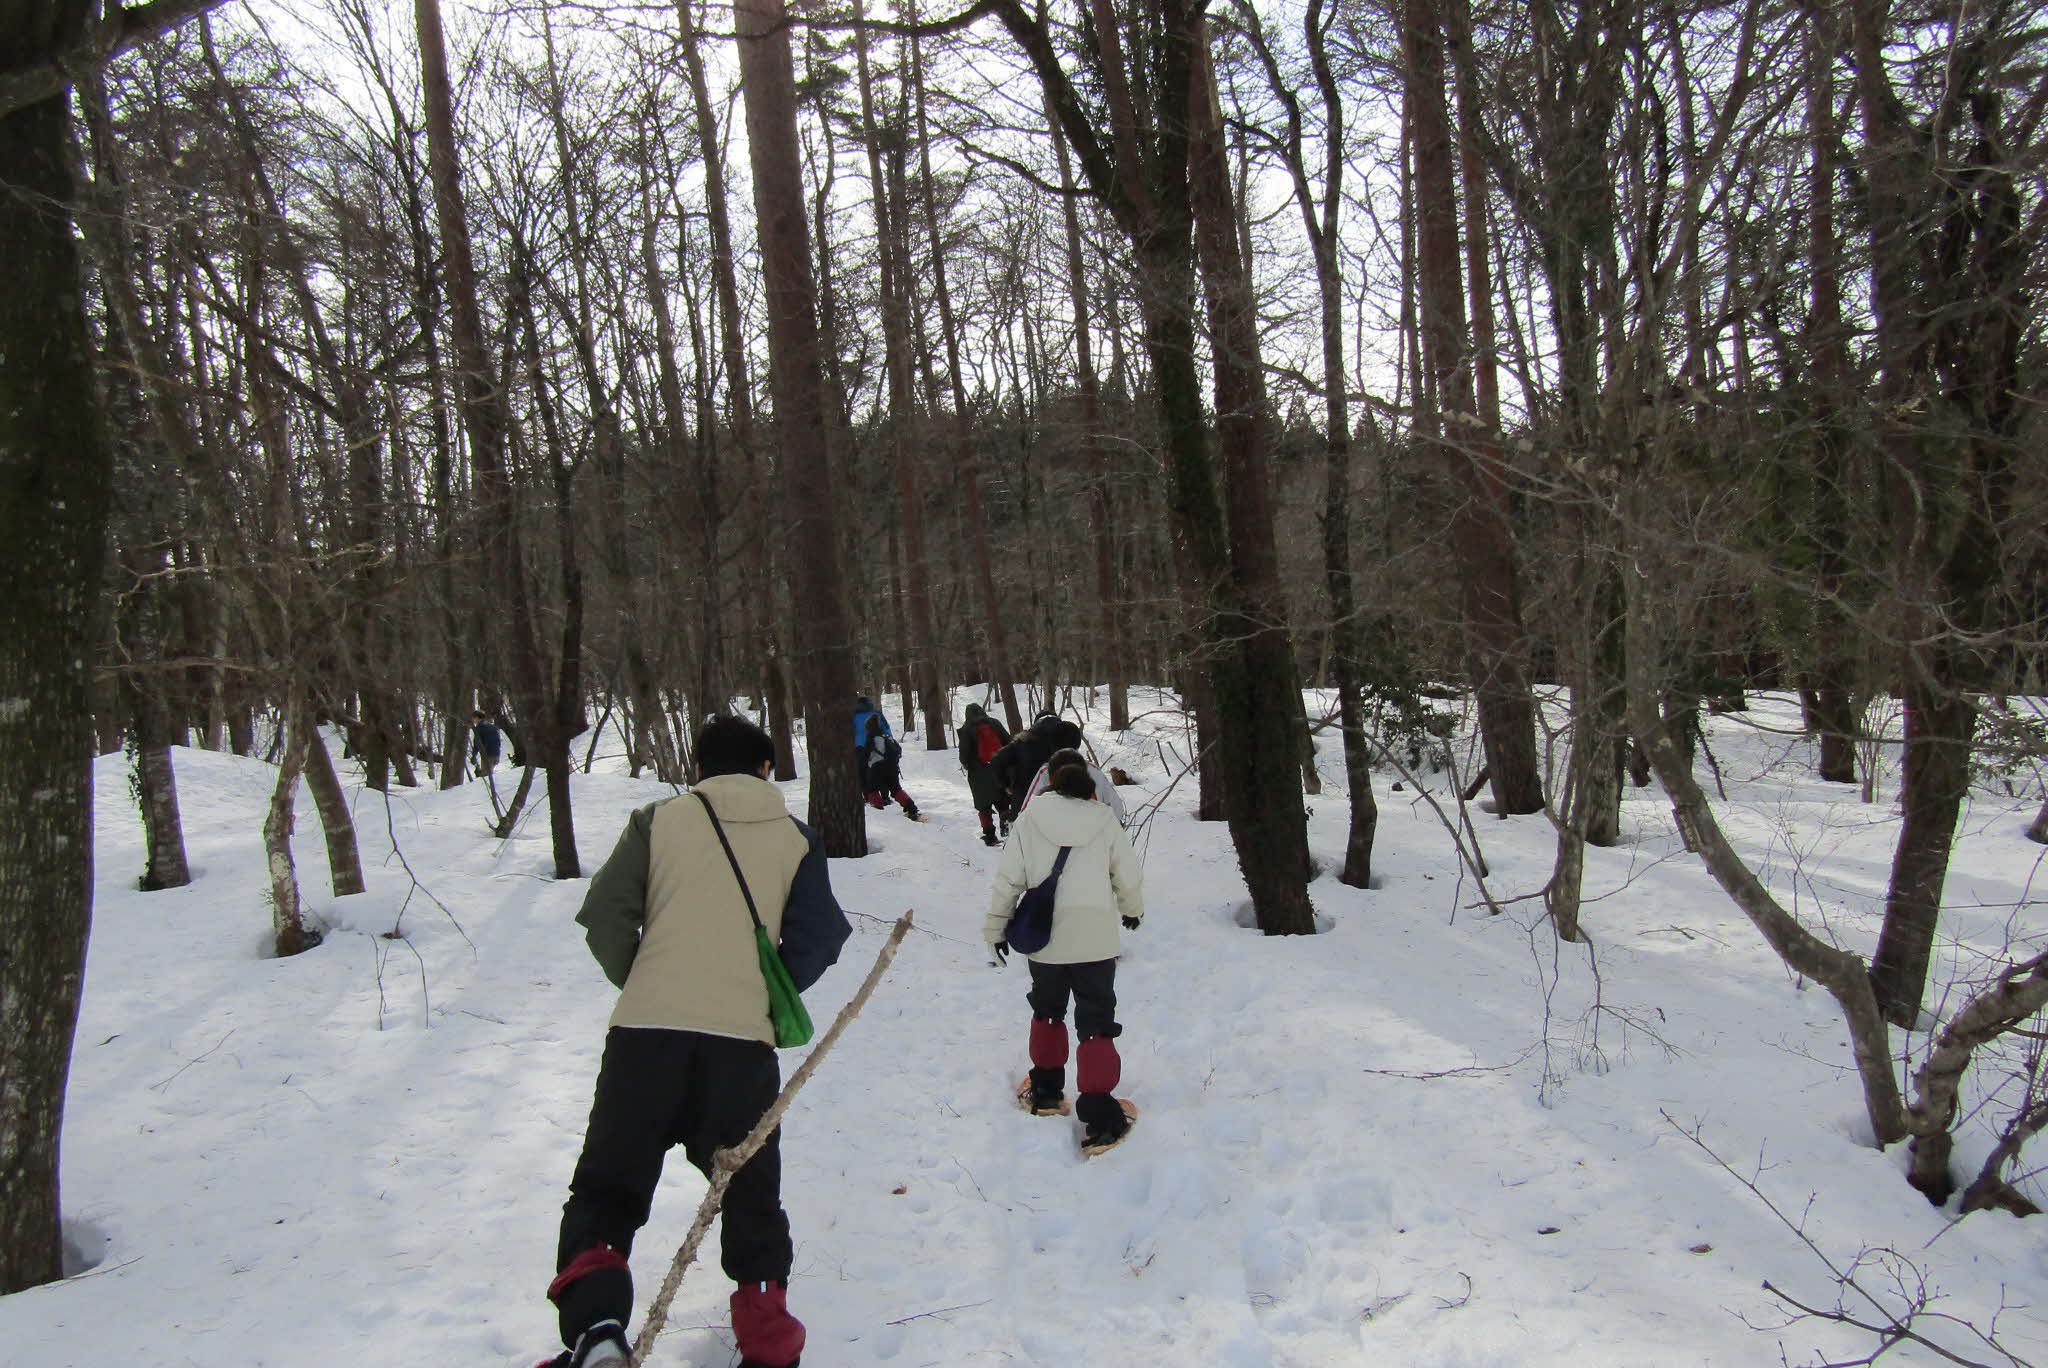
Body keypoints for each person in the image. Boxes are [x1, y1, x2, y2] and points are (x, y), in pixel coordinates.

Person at [543, 714, 851, 1368]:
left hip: (644, 1040)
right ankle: (768, 1341)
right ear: (765, 769)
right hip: (740, 1047)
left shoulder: (657, 821)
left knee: (608, 1187)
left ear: (698, 768)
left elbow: (605, 915)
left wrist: (643, 978)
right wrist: (765, 992)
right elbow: (821, 936)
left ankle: (597, 1331)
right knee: (750, 1192)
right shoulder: (797, 839)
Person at [985, 749, 1145, 1154]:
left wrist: (996, 928)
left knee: (1048, 1010)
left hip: (1046, 938)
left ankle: (1045, 1093)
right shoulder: (1104, 819)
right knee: (1096, 1022)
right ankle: (1101, 1118)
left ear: (1052, 781)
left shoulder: (1030, 818)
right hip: (1095, 940)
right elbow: (1126, 874)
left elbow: (1008, 880)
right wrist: (1132, 909)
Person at [1015, 719, 1127, 826]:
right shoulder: (1093, 770)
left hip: (1053, 836)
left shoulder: (1045, 772)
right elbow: (1117, 810)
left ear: (1052, 745)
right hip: (1094, 834)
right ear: (1078, 743)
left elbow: (1025, 816)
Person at [854, 697, 922, 820]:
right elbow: (895, 745)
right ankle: (910, 807)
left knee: (870, 787)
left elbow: (865, 756)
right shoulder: (880, 721)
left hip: (870, 759)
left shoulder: (855, 718)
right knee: (896, 789)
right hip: (891, 765)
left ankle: (878, 810)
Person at [989, 713, 1062, 824]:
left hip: (1023, 801)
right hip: (1057, 802)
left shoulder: (1022, 742)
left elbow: (997, 760)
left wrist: (1006, 785)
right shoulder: (1065, 741)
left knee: (1020, 833)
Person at [957, 702, 1011, 846]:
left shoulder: (967, 729)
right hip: (999, 769)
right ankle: (1008, 829)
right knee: (1003, 802)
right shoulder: (995, 723)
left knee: (983, 806)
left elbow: (964, 755)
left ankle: (989, 836)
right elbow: (1009, 742)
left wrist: (967, 765)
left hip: (978, 773)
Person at [470, 709, 502, 778]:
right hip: (496, 754)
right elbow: (498, 741)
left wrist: (474, 756)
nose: (473, 720)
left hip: (488, 755)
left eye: (474, 718)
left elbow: (477, 744)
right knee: (489, 775)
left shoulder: (479, 729)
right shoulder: (492, 726)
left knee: (486, 776)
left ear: (477, 718)